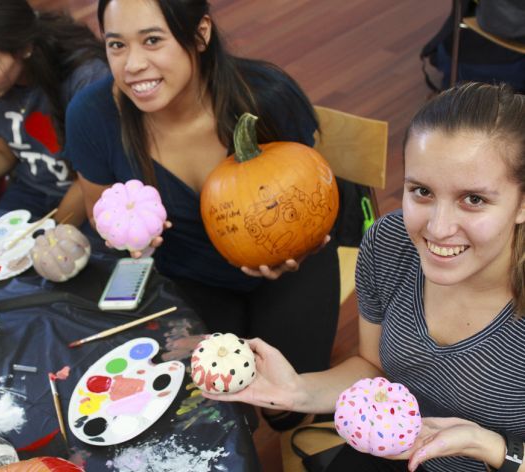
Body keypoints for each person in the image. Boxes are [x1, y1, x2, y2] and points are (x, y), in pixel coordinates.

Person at [206, 82, 525, 472]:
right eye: (422, 191)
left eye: (473, 199)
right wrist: (298, 391)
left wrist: (491, 447)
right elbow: (373, 365)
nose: (438, 229)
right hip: (388, 453)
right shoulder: (389, 244)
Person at [65, 0, 340, 430]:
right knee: (215, 413)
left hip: (291, 265)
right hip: (190, 277)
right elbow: (101, 211)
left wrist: (300, 249)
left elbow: (312, 193)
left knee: (283, 411)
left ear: (200, 33)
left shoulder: (266, 96)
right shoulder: (93, 116)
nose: (133, 64)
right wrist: (125, 238)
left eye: (152, 40)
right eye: (116, 45)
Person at [0, 0, 109, 224]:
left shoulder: (86, 77)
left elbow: (93, 178)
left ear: (24, 48)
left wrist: (49, 233)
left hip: (92, 194)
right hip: (31, 190)